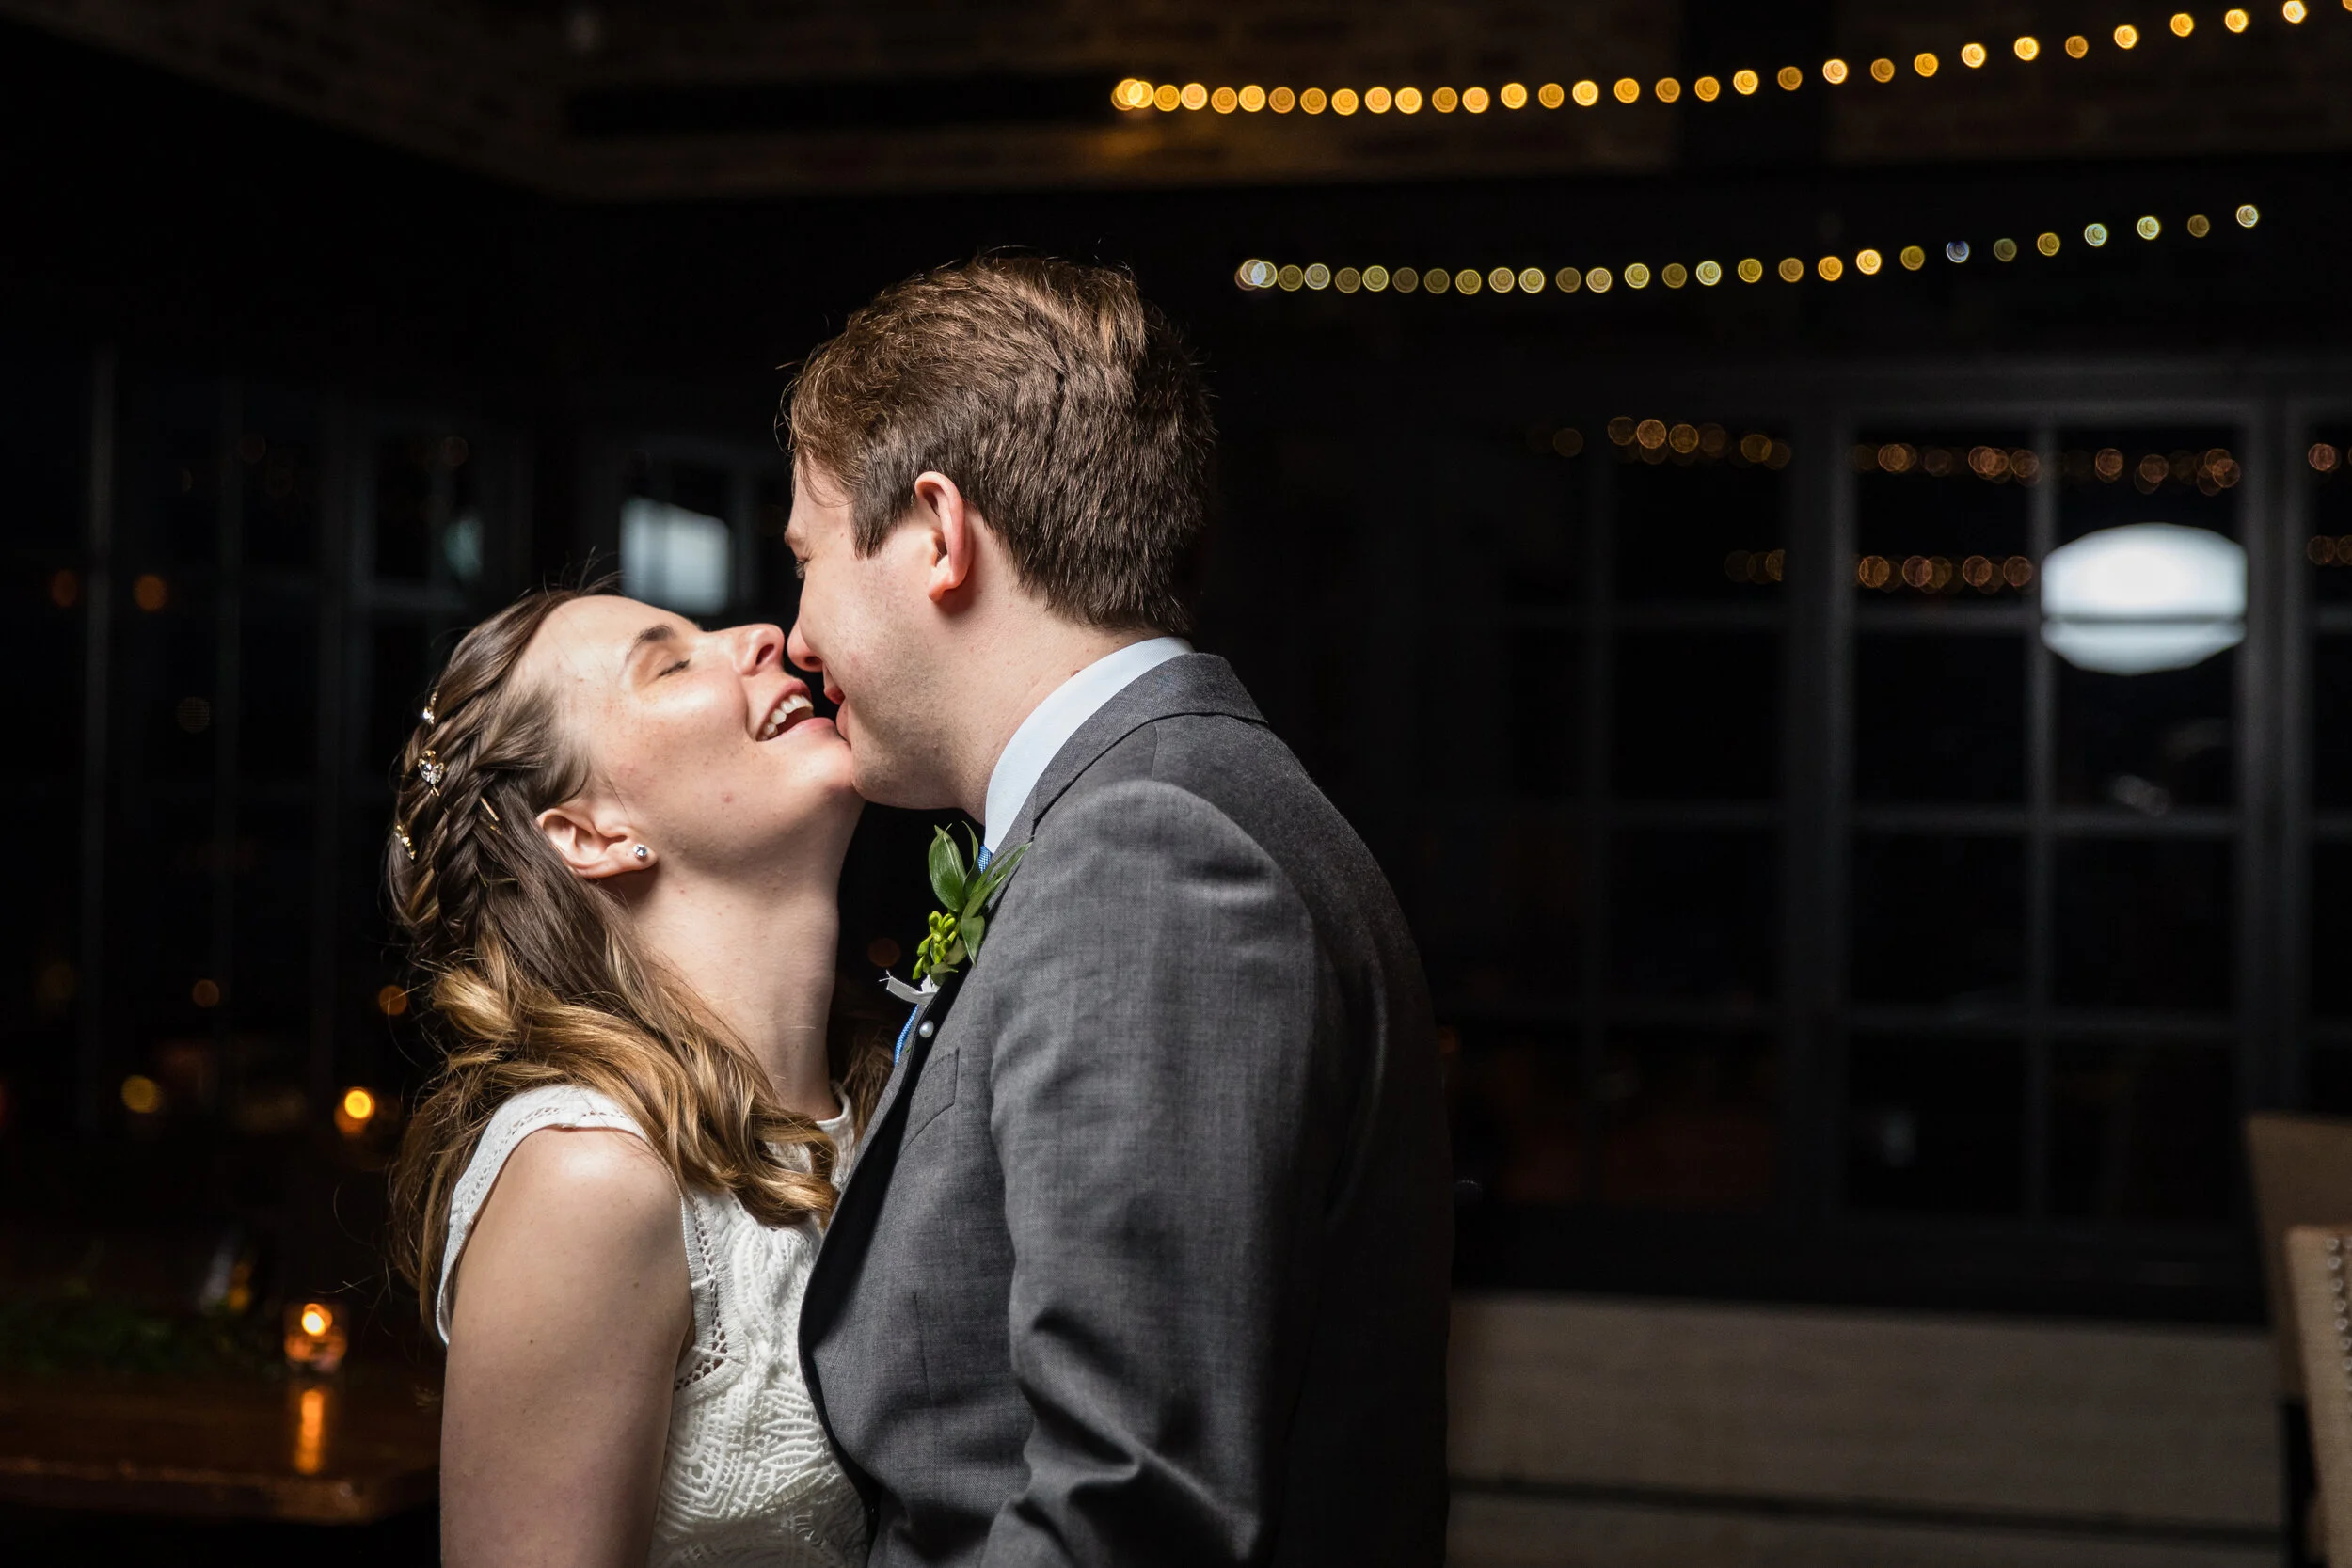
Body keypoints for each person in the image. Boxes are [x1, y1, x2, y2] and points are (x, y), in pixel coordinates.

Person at [785, 256, 1452, 1567]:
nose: (795, 630)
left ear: (937, 531)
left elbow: (1124, 1511)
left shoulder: (1150, 853)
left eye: (804, 556)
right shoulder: (1157, 804)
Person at [382, 585, 883, 1567]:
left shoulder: (891, 1105)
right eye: (671, 661)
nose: (764, 636)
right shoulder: (589, 1180)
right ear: (595, 832)